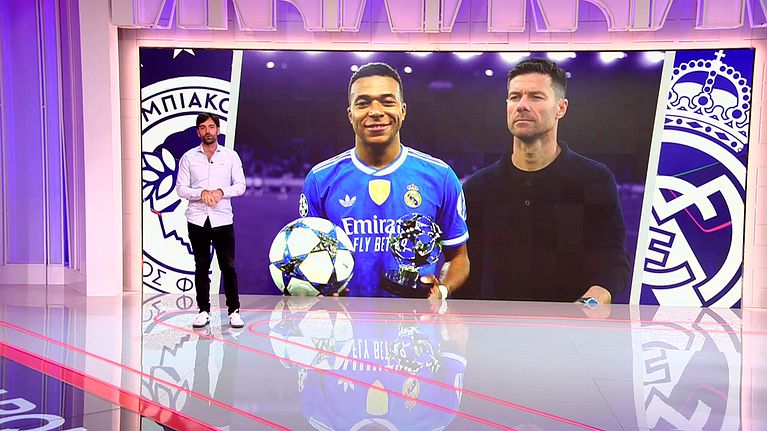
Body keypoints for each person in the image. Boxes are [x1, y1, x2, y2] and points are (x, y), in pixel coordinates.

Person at [461, 58, 630, 304]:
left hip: (570, 325)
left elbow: (612, 259)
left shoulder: (594, 180)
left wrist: (589, 306)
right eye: (515, 97)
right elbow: (467, 269)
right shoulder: (478, 187)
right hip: (494, 325)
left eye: (535, 97)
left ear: (561, 108)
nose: (522, 105)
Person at [299, 62, 469, 299]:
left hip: (414, 320)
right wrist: (317, 293)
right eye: (363, 103)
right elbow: (305, 256)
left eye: (387, 102)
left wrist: (443, 289)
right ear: (350, 115)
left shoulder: (440, 177)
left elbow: (459, 257)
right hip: (343, 320)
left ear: (403, 110)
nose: (376, 111)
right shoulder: (320, 180)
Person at [176, 113, 246, 328]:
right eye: (203, 127)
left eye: (211, 127)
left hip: (222, 218)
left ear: (218, 130)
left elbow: (240, 186)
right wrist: (201, 193)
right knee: (201, 266)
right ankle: (203, 311)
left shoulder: (231, 156)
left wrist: (220, 192)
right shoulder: (188, 158)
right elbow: (181, 189)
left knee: (228, 266)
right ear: (198, 132)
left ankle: (234, 311)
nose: (208, 131)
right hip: (197, 219)